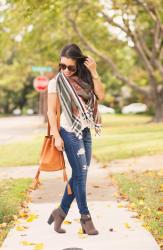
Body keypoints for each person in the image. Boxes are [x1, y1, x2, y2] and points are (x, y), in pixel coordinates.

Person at [47, 43, 105, 235]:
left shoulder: (86, 77)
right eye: (62, 66)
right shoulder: (56, 82)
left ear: (78, 64)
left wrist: (94, 72)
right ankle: (85, 218)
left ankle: (60, 212)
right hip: (68, 131)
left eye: (70, 67)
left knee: (80, 175)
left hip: (85, 131)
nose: (65, 70)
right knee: (80, 174)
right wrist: (56, 136)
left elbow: (101, 96)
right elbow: (50, 111)